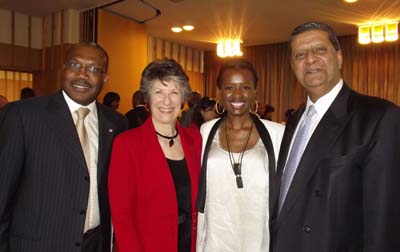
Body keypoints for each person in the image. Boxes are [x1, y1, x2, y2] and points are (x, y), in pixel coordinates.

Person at [271, 22, 400, 252]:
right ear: (293, 66)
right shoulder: (294, 120)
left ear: (339, 57)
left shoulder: (378, 117)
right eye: (300, 54)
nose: (310, 59)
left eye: (320, 50)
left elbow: (384, 221)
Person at [0, 42, 128, 252]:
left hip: (95, 244)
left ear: (105, 79)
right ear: (62, 69)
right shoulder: (23, 115)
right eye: (75, 65)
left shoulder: (116, 123)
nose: (83, 75)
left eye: (94, 69)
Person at [108, 59, 202, 252]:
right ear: (147, 98)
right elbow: (122, 216)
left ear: (183, 98)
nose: (167, 101)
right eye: (158, 92)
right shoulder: (127, 144)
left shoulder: (195, 140)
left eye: (174, 92)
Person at [196, 59, 284, 252]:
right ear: (220, 91)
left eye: (245, 87)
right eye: (229, 87)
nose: (237, 95)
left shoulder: (277, 134)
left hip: (258, 238)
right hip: (215, 238)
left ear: (255, 91)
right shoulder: (206, 131)